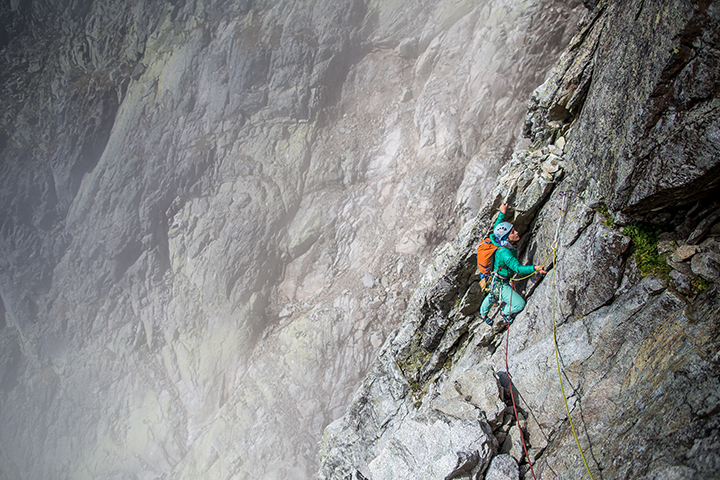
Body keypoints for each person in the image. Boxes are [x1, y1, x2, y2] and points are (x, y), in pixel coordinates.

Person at [478, 202, 547, 326]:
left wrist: (502, 212)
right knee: (519, 304)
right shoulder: (505, 253)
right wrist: (535, 268)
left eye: (514, 230)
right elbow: (518, 269)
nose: (516, 233)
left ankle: (482, 314)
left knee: (493, 295)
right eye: (512, 233)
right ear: (506, 238)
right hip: (500, 282)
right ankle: (504, 312)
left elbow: (497, 226)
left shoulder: (499, 240)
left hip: (497, 280)